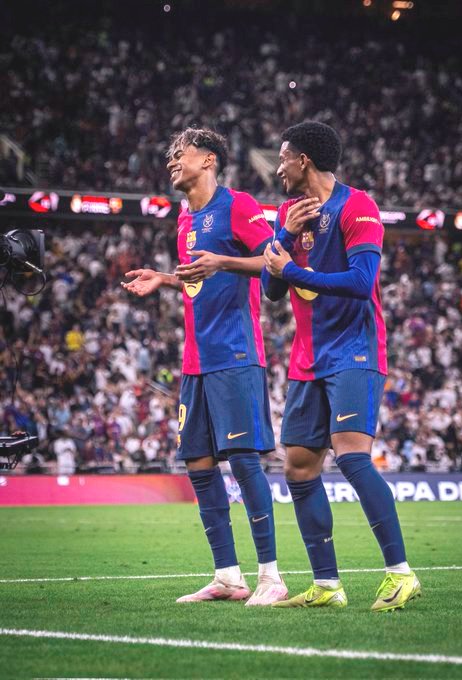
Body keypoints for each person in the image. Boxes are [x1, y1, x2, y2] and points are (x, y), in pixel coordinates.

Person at [123, 127, 288, 606]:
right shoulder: (184, 219)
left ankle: (271, 576)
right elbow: (199, 279)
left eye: (182, 153)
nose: (173, 161)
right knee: (197, 463)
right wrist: (165, 279)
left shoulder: (237, 205)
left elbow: (274, 260)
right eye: (170, 155)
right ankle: (228, 576)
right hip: (195, 361)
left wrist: (222, 262)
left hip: (235, 353)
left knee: (242, 460)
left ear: (209, 159)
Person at [262, 121, 421, 611]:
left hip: (355, 349)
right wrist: (285, 236)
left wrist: (293, 269)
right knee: (299, 467)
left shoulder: (358, 206)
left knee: (352, 457)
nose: (278, 168)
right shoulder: (287, 213)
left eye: (283, 158)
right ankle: (327, 585)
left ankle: (400, 574)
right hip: (307, 358)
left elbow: (361, 281)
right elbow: (271, 289)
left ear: (304, 160)